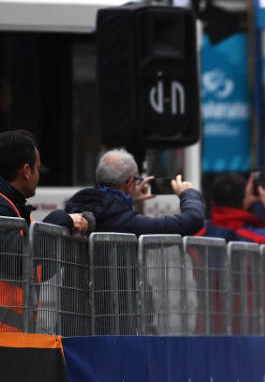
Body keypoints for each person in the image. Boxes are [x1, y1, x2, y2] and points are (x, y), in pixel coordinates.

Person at [0, 130, 92, 332]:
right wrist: (59, 221)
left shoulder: (16, 210)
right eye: (37, 168)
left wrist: (66, 229)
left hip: (13, 337)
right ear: (26, 170)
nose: (38, 174)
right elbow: (16, 260)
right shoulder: (3, 209)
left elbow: (38, 269)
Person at [64, 148, 204, 235]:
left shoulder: (74, 209)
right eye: (137, 180)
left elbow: (106, 205)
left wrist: (129, 198)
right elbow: (192, 221)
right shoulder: (129, 223)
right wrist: (188, 193)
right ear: (130, 183)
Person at [198, 172, 265, 246]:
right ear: (244, 201)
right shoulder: (258, 237)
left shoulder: (199, 234)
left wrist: (244, 200)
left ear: (213, 202)